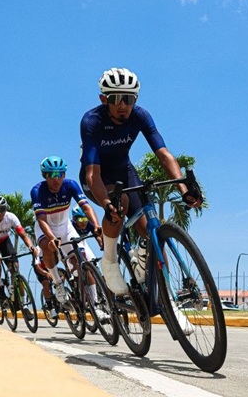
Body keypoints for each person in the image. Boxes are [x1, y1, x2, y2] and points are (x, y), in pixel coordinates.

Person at [79, 67, 201, 299]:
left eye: (129, 98)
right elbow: (92, 175)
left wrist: (183, 188)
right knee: (120, 200)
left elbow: (164, 155)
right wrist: (106, 203)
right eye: (116, 99)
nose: (123, 105)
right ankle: (110, 262)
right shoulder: (91, 121)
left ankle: (167, 302)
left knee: (151, 232)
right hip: (97, 175)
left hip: (124, 171)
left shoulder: (140, 116)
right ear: (104, 99)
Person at [31, 156, 106, 319]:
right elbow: (41, 220)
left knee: (83, 262)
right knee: (47, 247)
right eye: (51, 174)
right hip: (45, 228)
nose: (56, 179)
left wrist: (96, 226)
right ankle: (58, 283)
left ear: (64, 175)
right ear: (45, 176)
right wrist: (51, 238)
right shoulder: (37, 191)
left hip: (66, 227)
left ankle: (95, 305)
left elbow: (86, 207)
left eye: (60, 174)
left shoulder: (70, 185)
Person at [0, 194, 38, 304]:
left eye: (2, 209)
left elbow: (23, 235)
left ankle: (24, 303)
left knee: (15, 269)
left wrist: (31, 246)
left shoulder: (11, 217)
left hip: (4, 242)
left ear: (6, 209)